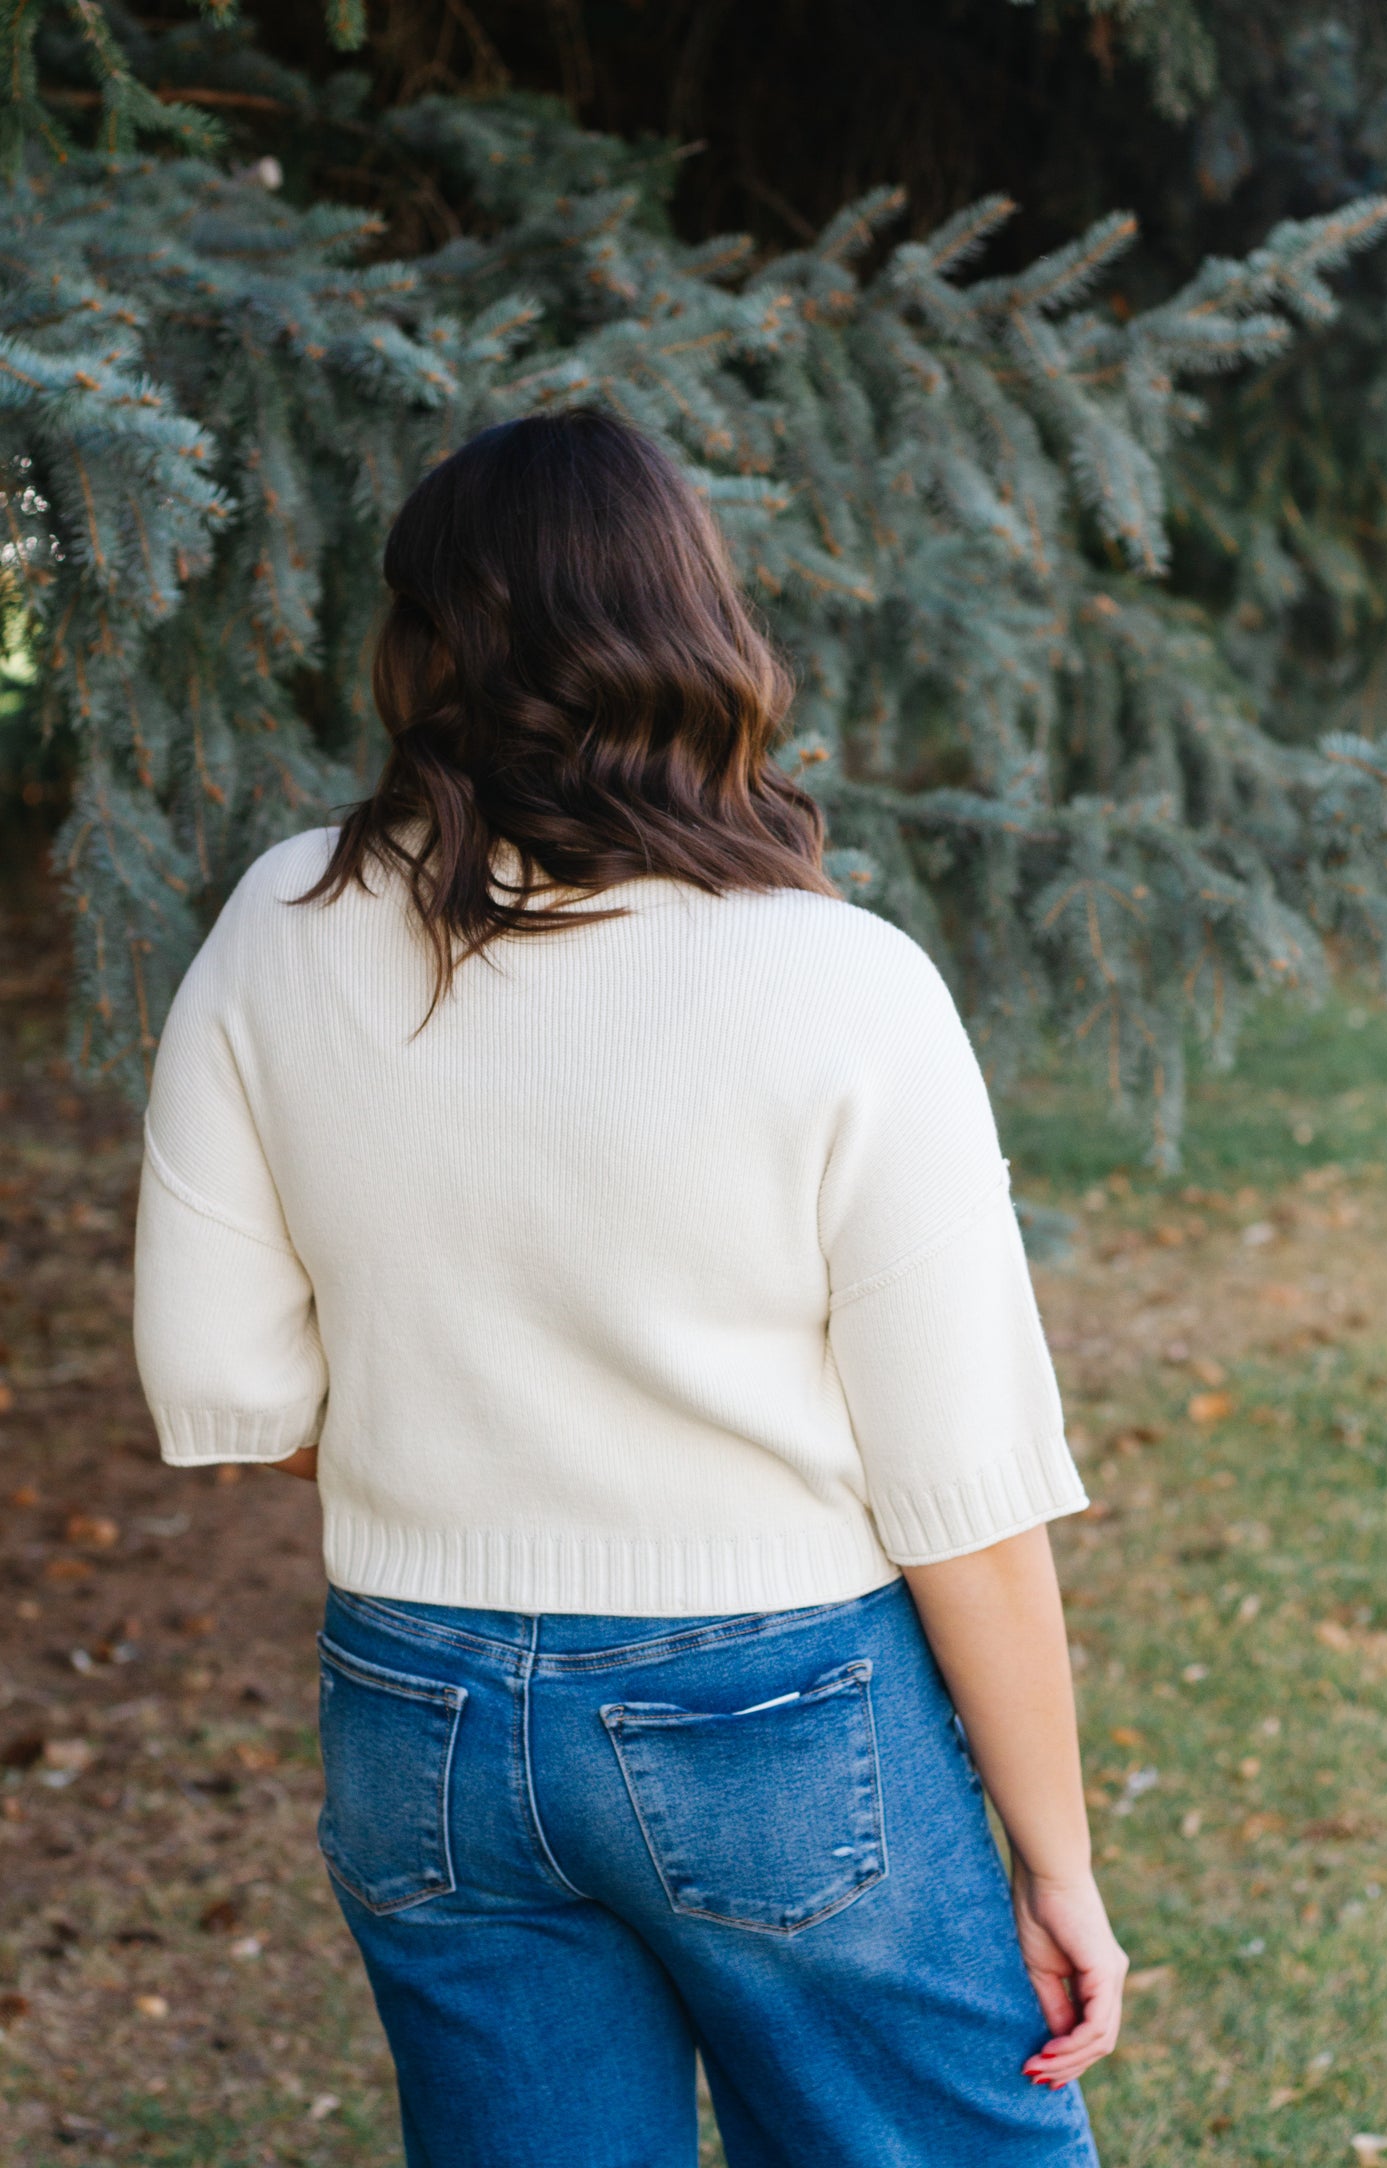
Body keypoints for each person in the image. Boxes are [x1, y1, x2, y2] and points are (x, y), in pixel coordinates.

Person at [132, 407, 1127, 2167]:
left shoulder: (278, 918)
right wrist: (1050, 1865)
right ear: (697, 635)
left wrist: (479, 1473)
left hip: (411, 1700)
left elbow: (232, 1388)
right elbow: (960, 1495)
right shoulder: (839, 979)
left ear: (422, 643)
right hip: (770, 1707)